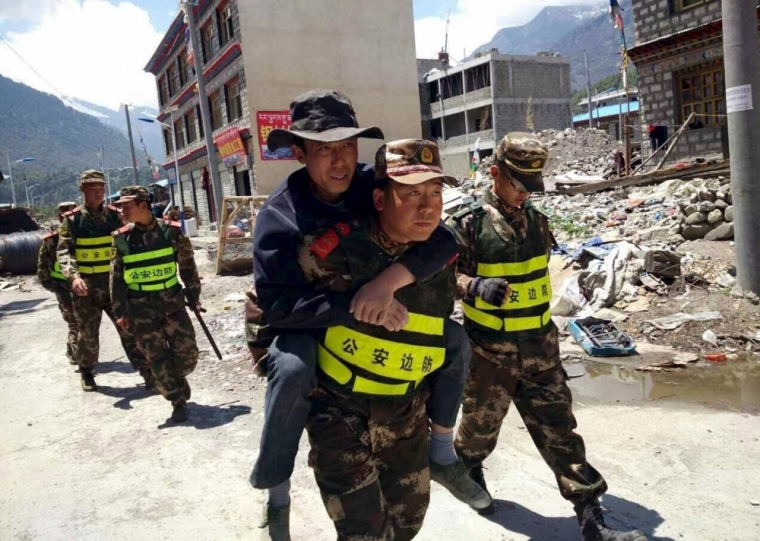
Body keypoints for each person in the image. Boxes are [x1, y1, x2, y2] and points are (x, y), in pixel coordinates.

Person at [250, 90, 484, 540]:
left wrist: (388, 282)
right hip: (298, 316)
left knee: (453, 341)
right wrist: (356, 306)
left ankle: (442, 451)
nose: (339, 162)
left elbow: (443, 238)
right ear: (298, 152)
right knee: (296, 371)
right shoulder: (280, 217)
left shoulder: (371, 184)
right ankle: (276, 491)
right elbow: (276, 304)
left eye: (347, 146)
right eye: (324, 149)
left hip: (373, 301)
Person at [447, 132, 647, 541]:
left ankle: (590, 514)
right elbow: (440, 277)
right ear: (495, 173)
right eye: (517, 184)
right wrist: (472, 285)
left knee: (560, 430)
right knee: (479, 430)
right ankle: (468, 467)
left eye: (530, 186)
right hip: (490, 354)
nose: (524, 194)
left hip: (540, 348)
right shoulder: (468, 223)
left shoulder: (539, 222)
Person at [300, 139, 461, 539]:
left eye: (435, 192)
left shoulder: (439, 254)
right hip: (341, 419)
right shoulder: (332, 252)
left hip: (407, 416)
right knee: (365, 534)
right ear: (379, 197)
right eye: (411, 194)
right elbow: (266, 307)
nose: (428, 206)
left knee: (408, 524)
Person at [110, 186, 202, 423]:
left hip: (172, 304)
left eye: (126, 205)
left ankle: (178, 378)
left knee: (188, 354)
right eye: (120, 206)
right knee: (157, 360)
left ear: (143, 204)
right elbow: (116, 279)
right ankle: (177, 401)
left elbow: (187, 266)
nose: (122, 210)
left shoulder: (170, 232)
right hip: (140, 310)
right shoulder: (121, 238)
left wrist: (194, 295)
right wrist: (120, 312)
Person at [57, 170, 150, 391]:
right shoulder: (73, 220)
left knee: (129, 328)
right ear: (82, 190)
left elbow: (132, 240)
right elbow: (64, 252)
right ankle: (87, 372)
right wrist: (73, 277)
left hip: (114, 286)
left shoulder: (115, 216)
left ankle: (147, 371)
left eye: (101, 188)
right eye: (92, 189)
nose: (98, 193)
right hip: (86, 288)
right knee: (88, 334)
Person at [37, 201, 79, 365]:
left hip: (83, 285)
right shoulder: (51, 241)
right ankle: (78, 358)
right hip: (62, 287)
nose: (68, 218)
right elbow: (42, 267)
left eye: (72, 214)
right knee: (73, 322)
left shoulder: (83, 236)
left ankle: (73, 350)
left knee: (82, 323)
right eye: (64, 215)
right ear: (59, 216)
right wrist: (52, 286)